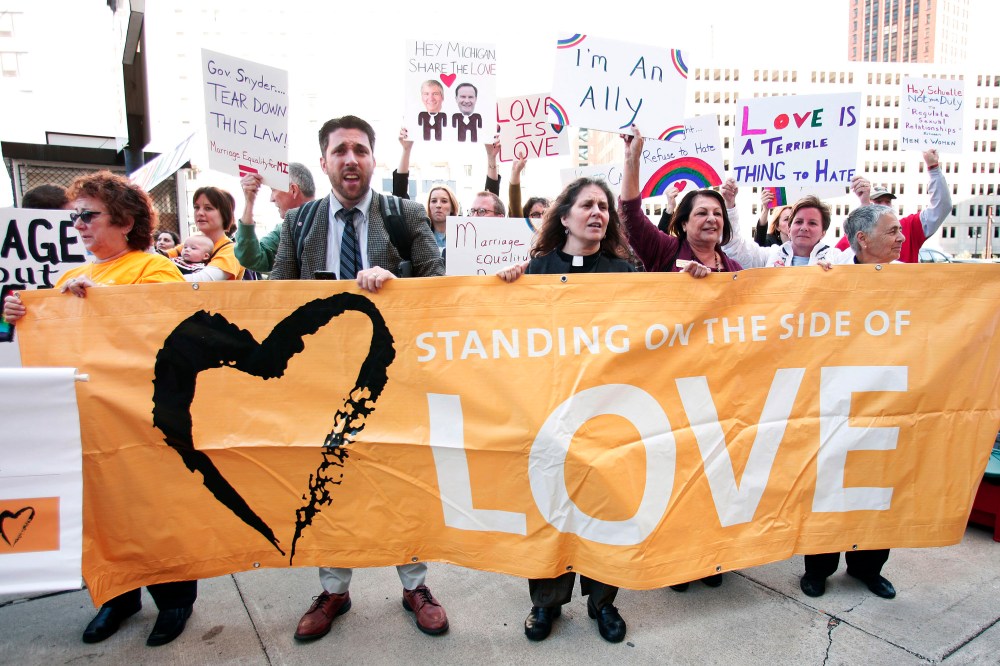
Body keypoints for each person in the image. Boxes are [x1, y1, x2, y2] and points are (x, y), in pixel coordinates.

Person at [269, 115, 446, 639]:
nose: (351, 159)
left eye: (361, 150)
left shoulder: (404, 213)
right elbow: (275, 294)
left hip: (393, 376)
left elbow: (438, 282)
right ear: (323, 160)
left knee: (401, 476)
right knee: (327, 483)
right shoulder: (300, 223)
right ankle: (334, 590)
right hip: (322, 378)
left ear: (374, 159)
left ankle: (414, 583)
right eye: (340, 150)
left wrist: (398, 282)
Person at [2, 170, 191, 647]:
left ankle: (174, 601)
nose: (80, 225)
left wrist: (101, 303)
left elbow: (169, 329)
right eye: (76, 218)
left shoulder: (154, 269)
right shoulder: (67, 278)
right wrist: (21, 317)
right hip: (86, 421)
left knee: (154, 511)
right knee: (103, 512)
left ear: (125, 221)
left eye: (89, 215)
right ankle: (117, 596)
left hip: (144, 418)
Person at [496, 177, 635, 643]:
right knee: (551, 510)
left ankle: (604, 601)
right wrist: (504, 289)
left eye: (604, 206)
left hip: (607, 417)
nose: (598, 212)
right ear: (564, 215)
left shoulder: (626, 272)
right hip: (549, 416)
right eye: (587, 205)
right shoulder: (534, 271)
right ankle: (545, 604)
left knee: (604, 509)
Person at [799, 203, 906, 601]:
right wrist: (818, 279)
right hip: (836, 400)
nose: (900, 237)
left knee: (877, 488)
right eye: (892, 231)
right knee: (829, 486)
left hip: (886, 399)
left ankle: (867, 568)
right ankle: (818, 570)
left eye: (899, 230)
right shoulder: (831, 273)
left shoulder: (915, 282)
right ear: (863, 239)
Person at [621, 127, 742, 276]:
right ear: (684, 223)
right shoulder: (664, 250)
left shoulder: (736, 270)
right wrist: (631, 158)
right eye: (702, 213)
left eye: (717, 214)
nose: (712, 219)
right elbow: (631, 216)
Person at [834, 149, 951, 262]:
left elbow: (941, 207)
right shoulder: (854, 238)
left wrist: (933, 167)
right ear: (862, 239)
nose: (885, 206)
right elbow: (834, 264)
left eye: (888, 201)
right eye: (878, 202)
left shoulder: (909, 227)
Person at [722, 192, 848, 268]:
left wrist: (833, 277)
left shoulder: (837, 259)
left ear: (823, 232)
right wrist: (729, 205)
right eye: (798, 222)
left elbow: (864, 258)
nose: (804, 228)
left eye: (812, 223)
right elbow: (735, 247)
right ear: (789, 229)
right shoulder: (771, 255)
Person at [235, 162, 316, 273]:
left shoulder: (331, 219)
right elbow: (250, 258)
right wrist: (249, 202)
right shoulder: (283, 230)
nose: (271, 199)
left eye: (273, 190)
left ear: (293, 190)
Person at [426, 184, 460, 250]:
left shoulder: (462, 235)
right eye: (434, 201)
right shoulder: (421, 234)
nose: (438, 205)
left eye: (444, 201)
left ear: (452, 207)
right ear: (429, 206)